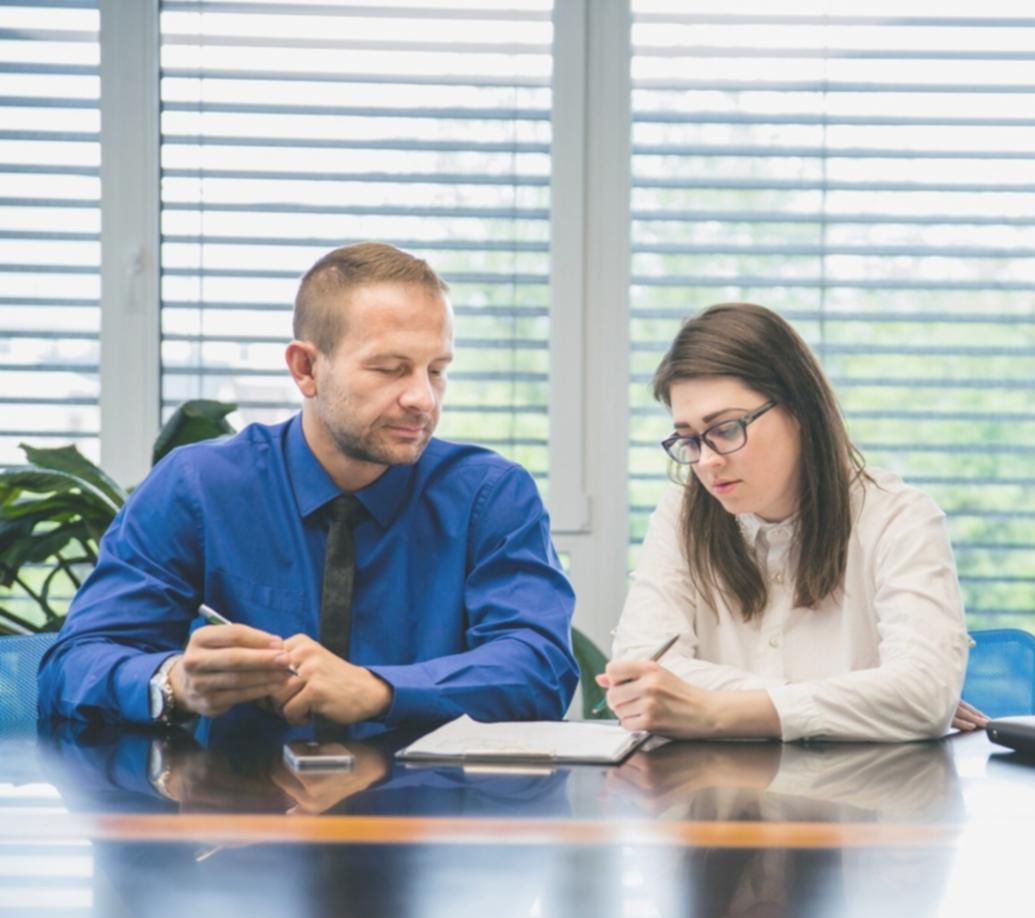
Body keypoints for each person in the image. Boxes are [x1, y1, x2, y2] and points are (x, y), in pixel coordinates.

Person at [38, 242, 577, 728]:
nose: (423, 399)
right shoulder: (196, 487)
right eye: (391, 369)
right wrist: (172, 681)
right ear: (305, 369)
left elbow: (539, 667)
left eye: (436, 370)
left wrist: (379, 690)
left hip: (429, 818)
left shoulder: (491, 496)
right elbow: (73, 664)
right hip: (236, 818)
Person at [598, 303, 986, 741]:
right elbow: (642, 675)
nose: (706, 462)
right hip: (710, 800)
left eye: (725, 430)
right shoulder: (681, 514)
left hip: (862, 800)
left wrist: (712, 711)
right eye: (688, 439)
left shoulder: (899, 517)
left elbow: (922, 695)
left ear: (800, 410)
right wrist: (860, 700)